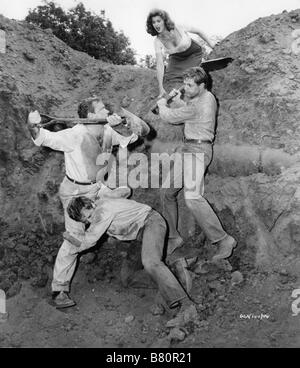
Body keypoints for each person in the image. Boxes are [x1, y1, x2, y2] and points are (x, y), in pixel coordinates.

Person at [27, 96, 149, 308]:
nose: (106, 110)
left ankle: (96, 243)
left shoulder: (108, 130)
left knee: (124, 192)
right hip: (75, 193)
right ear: (91, 115)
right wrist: (32, 125)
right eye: (102, 109)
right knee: (74, 237)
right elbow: (44, 137)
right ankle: (59, 289)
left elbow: (136, 135)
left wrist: (120, 124)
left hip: (97, 187)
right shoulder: (75, 135)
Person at [157, 66, 237, 260]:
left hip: (198, 151)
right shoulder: (203, 97)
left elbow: (172, 118)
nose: (185, 88)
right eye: (184, 84)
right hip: (188, 149)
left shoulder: (201, 103)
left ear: (202, 86)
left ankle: (223, 239)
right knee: (166, 192)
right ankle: (174, 237)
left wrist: (162, 105)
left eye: (190, 85)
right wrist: (178, 100)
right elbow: (186, 110)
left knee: (192, 198)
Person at [64, 195, 189, 311]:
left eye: (90, 216)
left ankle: (183, 302)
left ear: (92, 204)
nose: (91, 221)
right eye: (86, 221)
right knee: (128, 278)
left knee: (150, 262)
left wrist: (70, 238)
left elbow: (89, 241)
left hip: (151, 222)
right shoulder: (99, 209)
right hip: (139, 235)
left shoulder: (102, 211)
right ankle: (174, 274)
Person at [146, 9, 214, 98]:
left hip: (193, 54)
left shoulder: (179, 26)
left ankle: (202, 74)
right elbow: (160, 63)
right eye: (153, 22)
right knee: (171, 78)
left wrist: (212, 44)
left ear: (164, 21)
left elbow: (199, 31)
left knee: (190, 77)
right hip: (176, 59)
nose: (156, 24)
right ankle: (175, 98)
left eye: (158, 21)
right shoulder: (157, 41)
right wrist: (161, 88)